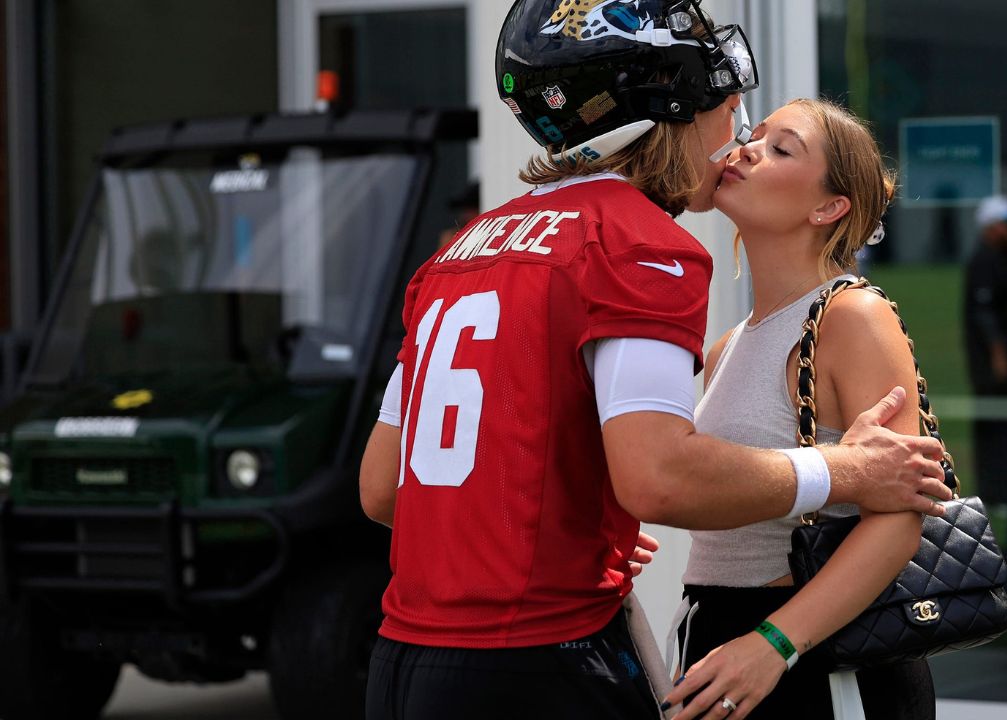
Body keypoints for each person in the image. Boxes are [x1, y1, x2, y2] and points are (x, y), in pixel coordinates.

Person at [358, 3, 950, 719]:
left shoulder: (462, 247)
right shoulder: (637, 242)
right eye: (729, 111)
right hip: (545, 655)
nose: (734, 140)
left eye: (773, 142)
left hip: (405, 656)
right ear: (665, 104)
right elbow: (660, 476)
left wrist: (577, 520)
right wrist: (844, 470)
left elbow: (385, 488)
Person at [660, 99, 937, 720]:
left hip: (817, 653)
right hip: (718, 636)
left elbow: (900, 516)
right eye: (752, 136)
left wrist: (773, 645)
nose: (747, 149)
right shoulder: (730, 344)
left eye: (782, 148)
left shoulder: (853, 316)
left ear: (827, 208)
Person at [963, 194, 1007, 512]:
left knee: (1001, 424)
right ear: (992, 227)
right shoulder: (985, 260)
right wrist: (1000, 355)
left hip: (994, 358)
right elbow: (983, 314)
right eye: (1006, 225)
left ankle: (1001, 488)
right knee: (995, 425)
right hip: (989, 362)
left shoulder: (997, 257)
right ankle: (995, 491)